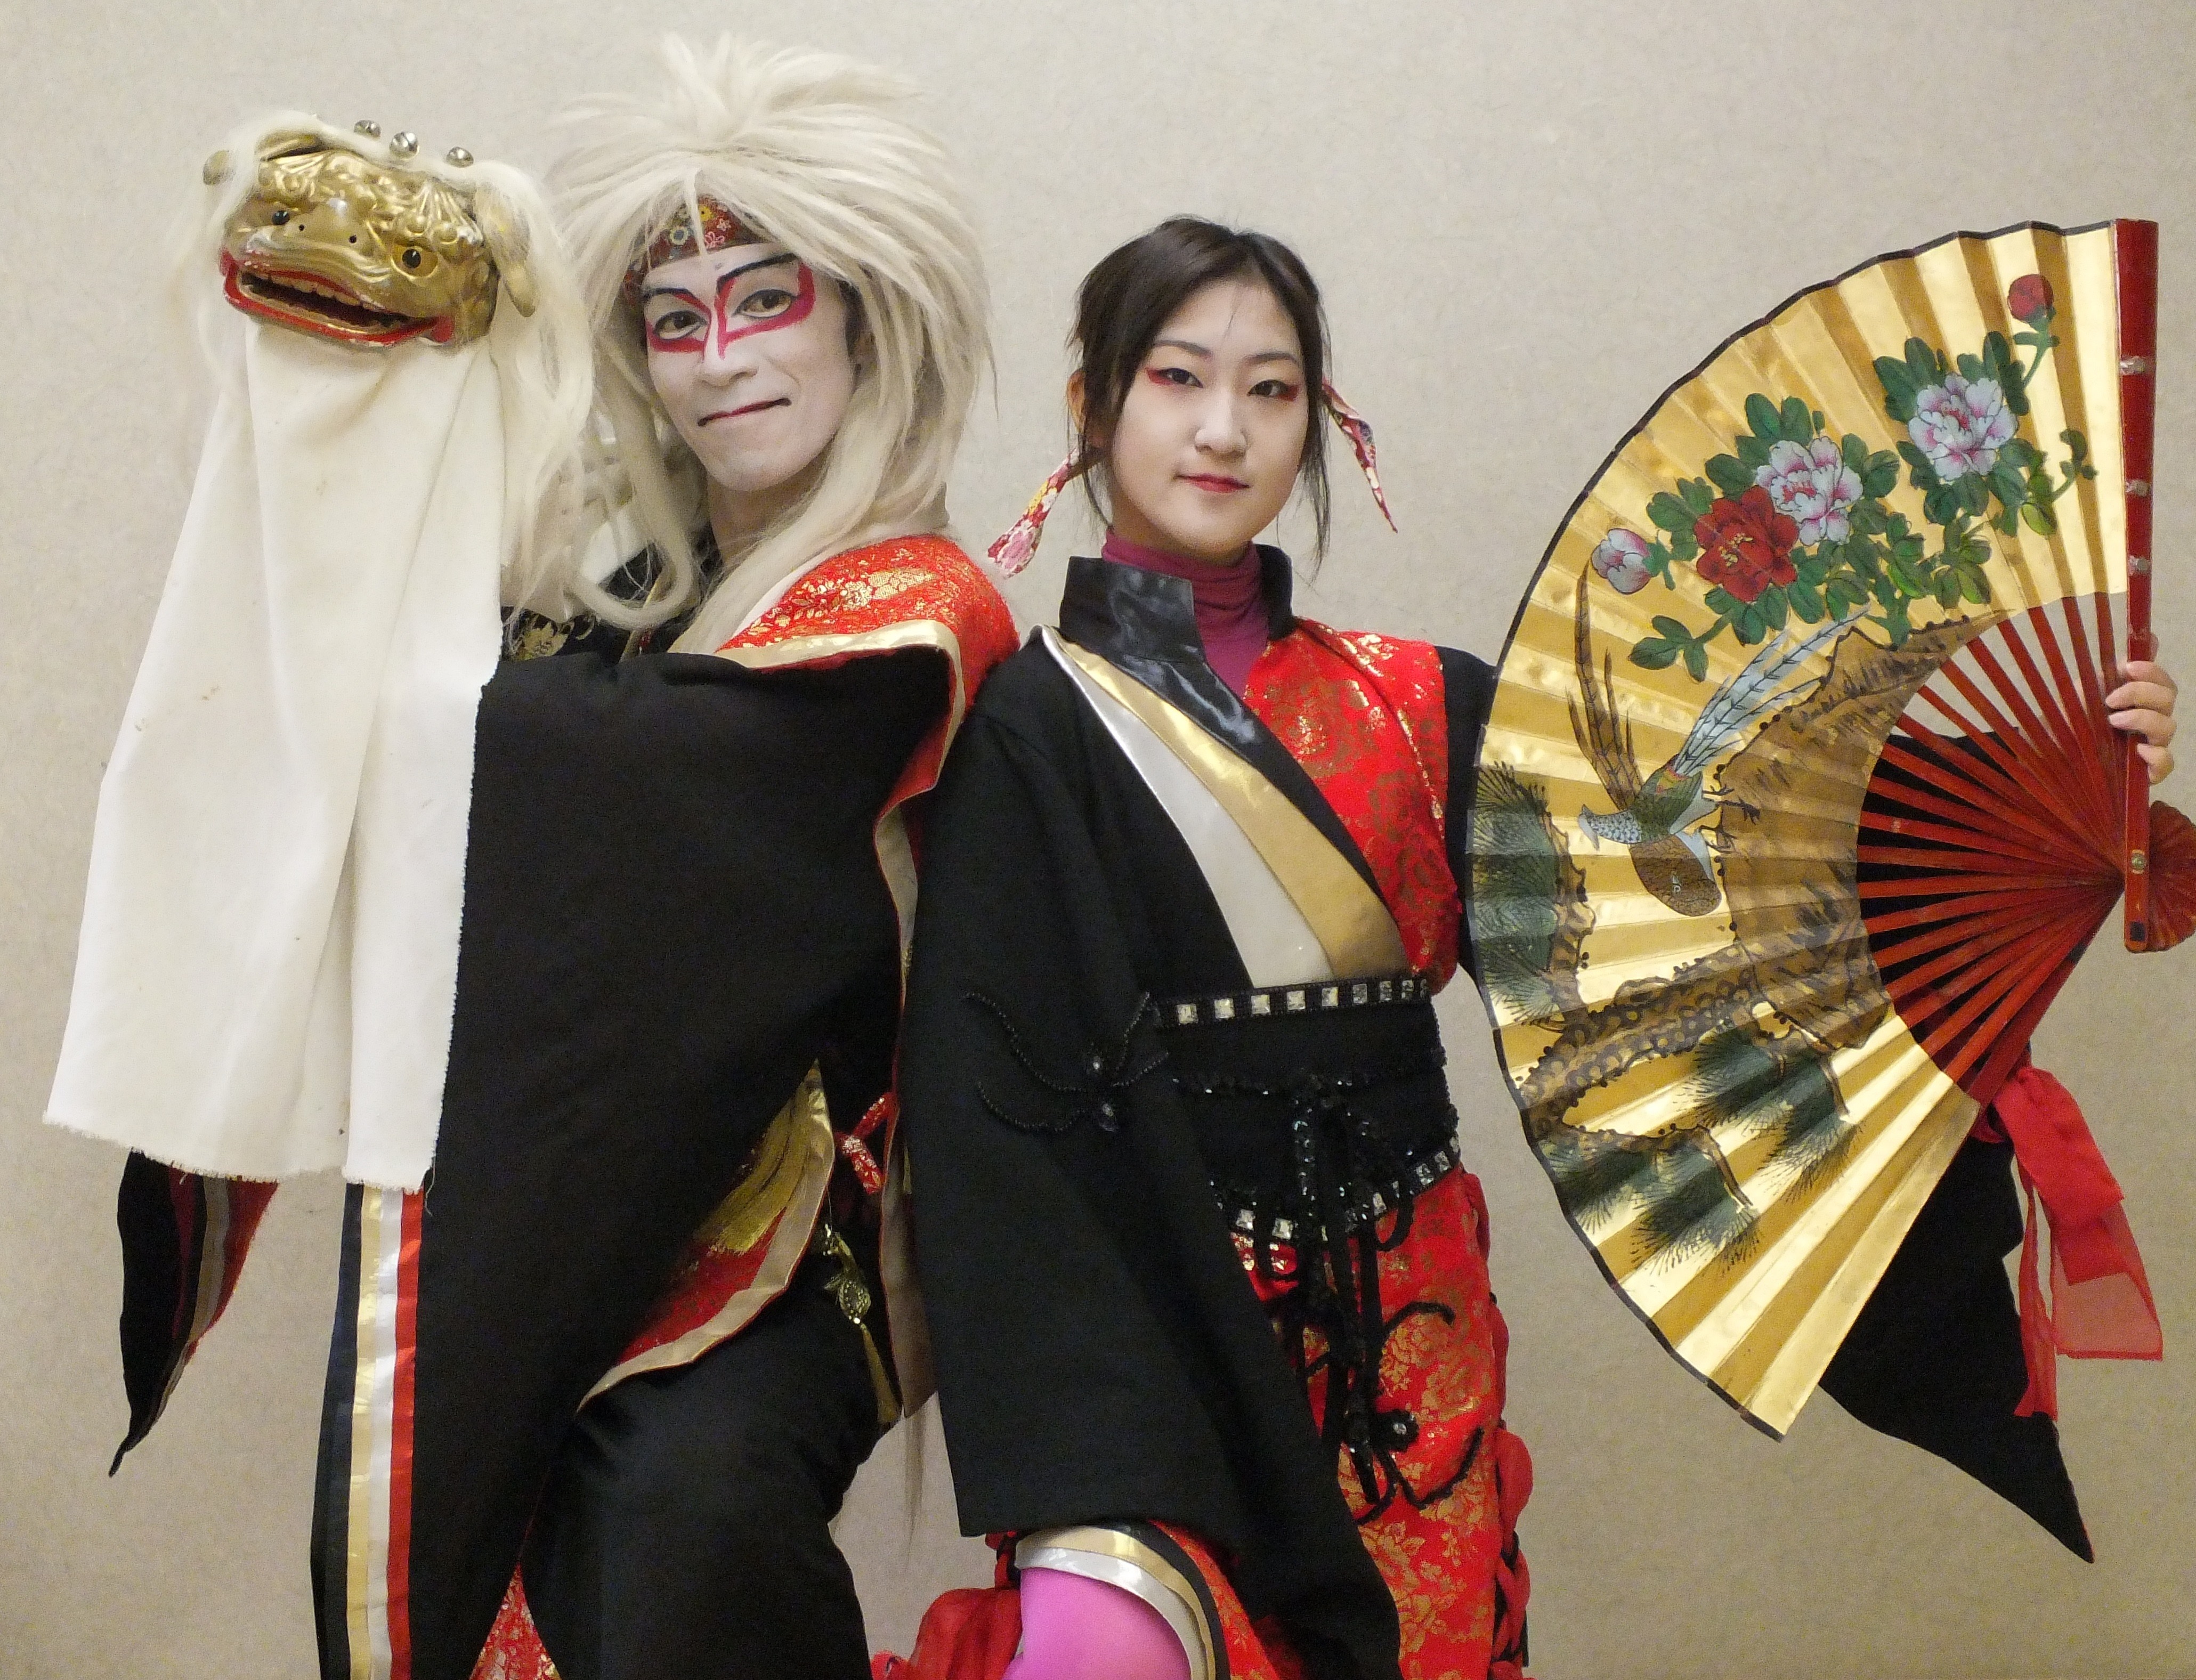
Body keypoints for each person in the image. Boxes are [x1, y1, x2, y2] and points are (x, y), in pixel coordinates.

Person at [889, 216, 2179, 1680]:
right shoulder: (1025, 724)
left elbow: (1719, 831)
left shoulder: (1417, 706)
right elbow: (993, 1104)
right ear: (1093, 404)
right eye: (1178, 378)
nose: (1223, 428)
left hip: (1410, 1305)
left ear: (1320, 422)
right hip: (1156, 1315)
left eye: (1271, 388)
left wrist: (2054, 789)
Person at [99, 40, 1016, 1680]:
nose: (721, 361)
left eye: (767, 302)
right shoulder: (617, 586)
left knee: (676, 1500)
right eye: (675, 319)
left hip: (792, 1236)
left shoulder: (913, 612)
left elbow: (613, 774)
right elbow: (390, 653)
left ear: (863, 320)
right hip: (585, 1212)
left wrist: (439, 713)